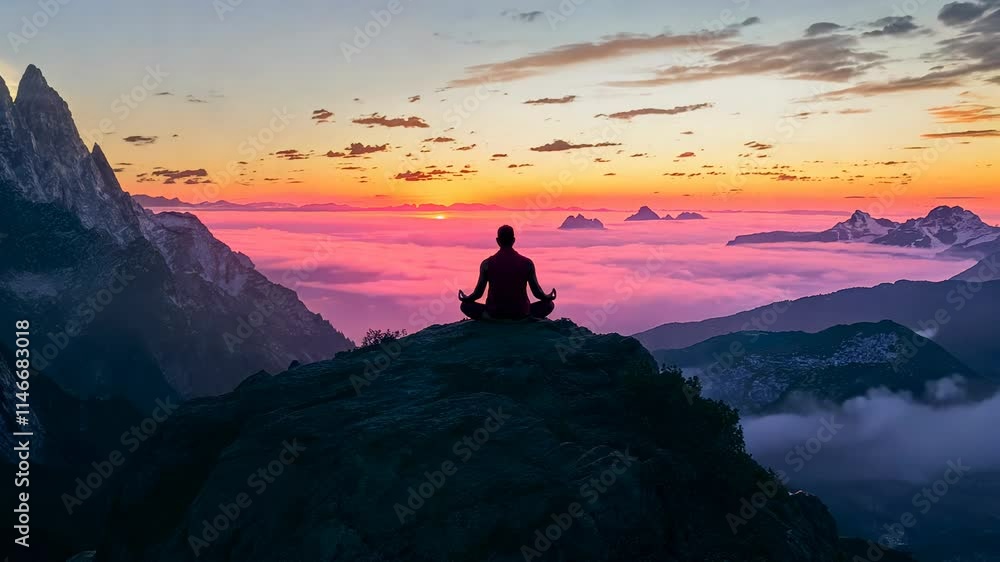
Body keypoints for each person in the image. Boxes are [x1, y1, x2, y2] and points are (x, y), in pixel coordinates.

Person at [459, 225, 557, 320]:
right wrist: (548, 296)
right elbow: (537, 293)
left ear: (497, 241)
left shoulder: (486, 264)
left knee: (465, 306)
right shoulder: (527, 263)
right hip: (521, 313)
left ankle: (488, 318)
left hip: (494, 313)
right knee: (549, 304)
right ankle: (525, 318)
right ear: (513, 240)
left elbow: (478, 294)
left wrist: (466, 298)